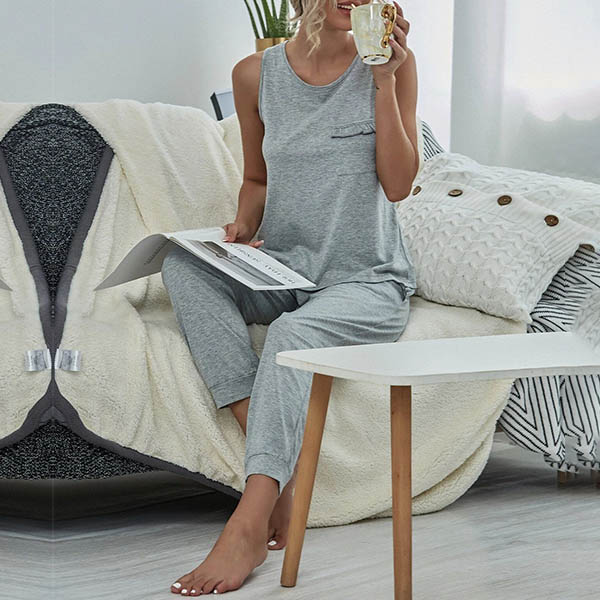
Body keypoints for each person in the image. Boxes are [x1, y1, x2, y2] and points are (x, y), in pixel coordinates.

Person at [163, 0, 418, 595]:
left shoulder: (394, 65)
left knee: (290, 337)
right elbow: (257, 179)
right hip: (285, 269)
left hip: (368, 280)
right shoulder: (255, 74)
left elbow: (399, 184)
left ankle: (250, 520)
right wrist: (240, 231)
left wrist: (383, 80)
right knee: (183, 267)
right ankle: (279, 455)